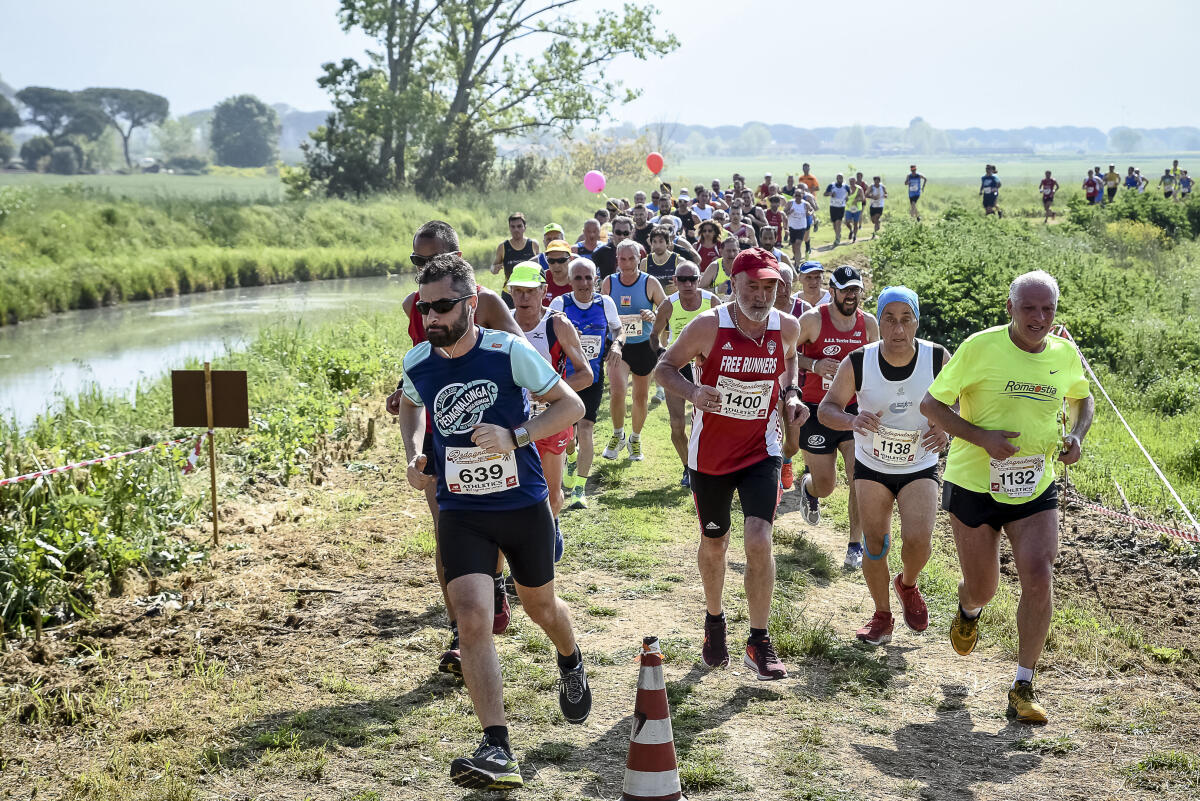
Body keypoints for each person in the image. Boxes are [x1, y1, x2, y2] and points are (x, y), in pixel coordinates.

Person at [398, 254, 591, 790]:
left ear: (470, 302)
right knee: (472, 616)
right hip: (461, 510)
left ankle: (570, 658)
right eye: (424, 307)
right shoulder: (419, 361)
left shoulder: (508, 351)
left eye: (441, 306)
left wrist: (517, 436)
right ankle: (497, 746)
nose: (431, 317)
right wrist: (414, 452)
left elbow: (570, 403)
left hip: (521, 504)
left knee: (540, 607)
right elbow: (410, 406)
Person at [920, 270, 1094, 724]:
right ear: (1010, 309)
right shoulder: (980, 347)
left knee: (1039, 573)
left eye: (1048, 309)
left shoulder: (1063, 353)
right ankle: (968, 607)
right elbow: (932, 406)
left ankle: (1022, 685)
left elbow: (1082, 398)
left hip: (1035, 485)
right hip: (973, 483)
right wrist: (981, 437)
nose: (1040, 318)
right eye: (1029, 308)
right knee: (984, 586)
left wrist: (1075, 435)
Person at [655, 248, 809, 680]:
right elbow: (663, 368)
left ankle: (758, 640)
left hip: (762, 449)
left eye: (769, 287)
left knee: (758, 537)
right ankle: (715, 620)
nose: (760, 297)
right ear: (733, 285)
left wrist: (792, 395)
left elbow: (791, 363)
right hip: (710, 456)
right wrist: (692, 393)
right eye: (752, 286)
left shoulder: (788, 327)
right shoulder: (708, 326)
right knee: (716, 542)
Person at [387, 220, 524, 677]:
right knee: (447, 527)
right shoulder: (413, 305)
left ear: (456, 260)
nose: (422, 271)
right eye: (416, 262)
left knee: (493, 520)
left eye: (430, 261)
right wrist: (402, 392)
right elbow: (420, 369)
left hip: (488, 430)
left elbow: (521, 358)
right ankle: (459, 634)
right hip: (440, 432)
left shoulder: (486, 301)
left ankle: (497, 581)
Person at [818, 287, 951, 645]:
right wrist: (852, 421)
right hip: (872, 464)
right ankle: (882, 615)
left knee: (919, 539)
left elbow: (961, 405)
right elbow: (826, 408)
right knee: (874, 544)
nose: (897, 329)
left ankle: (907, 584)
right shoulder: (858, 361)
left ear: (916, 322)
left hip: (920, 463)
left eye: (905, 319)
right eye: (889, 320)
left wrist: (944, 430)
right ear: (879, 323)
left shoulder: (937, 358)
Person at [795, 265, 879, 568]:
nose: (851, 296)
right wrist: (814, 365)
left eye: (855, 290)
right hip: (817, 410)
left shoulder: (868, 324)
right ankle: (809, 488)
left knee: (858, 475)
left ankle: (855, 544)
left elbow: (879, 362)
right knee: (826, 484)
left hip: (854, 410)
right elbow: (785, 351)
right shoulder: (813, 320)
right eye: (845, 290)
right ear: (833, 291)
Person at [509, 264, 595, 551]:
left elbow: (586, 375)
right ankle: (530, 547)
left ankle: (549, 528)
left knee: (552, 494)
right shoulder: (501, 324)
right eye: (518, 291)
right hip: (513, 419)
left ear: (543, 291)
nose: (524, 297)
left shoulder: (557, 325)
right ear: (509, 292)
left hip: (552, 418)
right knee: (515, 493)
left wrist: (550, 392)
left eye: (530, 291)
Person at [550, 259, 624, 510]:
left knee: (586, 427)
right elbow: (548, 336)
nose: (584, 283)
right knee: (565, 432)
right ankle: (570, 457)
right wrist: (569, 338)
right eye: (578, 278)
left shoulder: (606, 303)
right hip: (564, 379)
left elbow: (618, 329)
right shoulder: (561, 304)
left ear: (596, 279)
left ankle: (579, 489)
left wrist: (616, 344)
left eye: (588, 278)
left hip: (592, 376)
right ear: (570, 281)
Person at [650, 261, 720, 486]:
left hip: (707, 367)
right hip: (678, 367)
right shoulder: (669, 305)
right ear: (674, 282)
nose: (688, 284)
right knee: (677, 424)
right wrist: (662, 354)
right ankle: (687, 467)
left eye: (693, 279)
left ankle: (712, 465)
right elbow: (653, 336)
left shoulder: (712, 302)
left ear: (700, 280)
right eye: (683, 280)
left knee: (713, 422)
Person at [601, 240, 666, 462]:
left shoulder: (650, 282)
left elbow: (666, 312)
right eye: (622, 259)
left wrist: (654, 316)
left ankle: (635, 439)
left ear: (639, 259)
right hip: (619, 345)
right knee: (618, 391)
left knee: (641, 396)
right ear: (616, 259)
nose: (627, 263)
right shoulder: (609, 283)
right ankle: (618, 435)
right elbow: (602, 314)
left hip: (644, 346)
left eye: (631, 258)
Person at [491, 212, 539, 282]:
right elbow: (493, 268)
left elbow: (540, 267)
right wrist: (494, 269)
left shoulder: (533, 244)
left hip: (530, 290)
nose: (516, 229)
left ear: (525, 227)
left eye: (519, 226)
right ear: (509, 228)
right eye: (513, 227)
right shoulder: (503, 247)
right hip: (509, 290)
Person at [591, 215, 638, 283]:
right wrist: (600, 283)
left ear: (631, 233)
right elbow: (590, 275)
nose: (622, 236)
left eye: (626, 233)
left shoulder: (638, 251)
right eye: (618, 232)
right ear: (613, 232)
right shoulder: (601, 252)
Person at [642, 225, 680, 294]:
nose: (657, 246)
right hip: (653, 302)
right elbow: (641, 286)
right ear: (651, 243)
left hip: (671, 301)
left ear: (667, 243)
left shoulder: (678, 261)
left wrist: (679, 287)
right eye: (654, 242)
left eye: (661, 241)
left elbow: (689, 284)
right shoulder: (645, 262)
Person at [540, 240, 574, 305]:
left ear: (571, 259)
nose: (556, 265)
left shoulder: (579, 280)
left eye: (561, 260)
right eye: (551, 261)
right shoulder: (541, 280)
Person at [785, 191, 814, 261]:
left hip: (802, 227)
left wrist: (809, 213)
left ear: (802, 196)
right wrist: (789, 212)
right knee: (794, 246)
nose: (797, 197)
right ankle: (796, 257)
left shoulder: (805, 204)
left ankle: (797, 264)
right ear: (794, 196)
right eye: (796, 195)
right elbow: (784, 212)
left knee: (798, 245)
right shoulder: (790, 203)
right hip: (792, 227)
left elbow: (812, 209)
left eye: (799, 196)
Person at [845, 179, 866, 243]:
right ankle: (851, 230)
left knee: (855, 223)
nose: (851, 183)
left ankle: (855, 236)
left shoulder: (859, 189)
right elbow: (844, 197)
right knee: (847, 222)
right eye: (850, 182)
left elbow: (863, 198)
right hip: (848, 208)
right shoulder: (847, 188)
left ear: (855, 182)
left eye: (853, 181)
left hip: (857, 208)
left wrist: (857, 200)